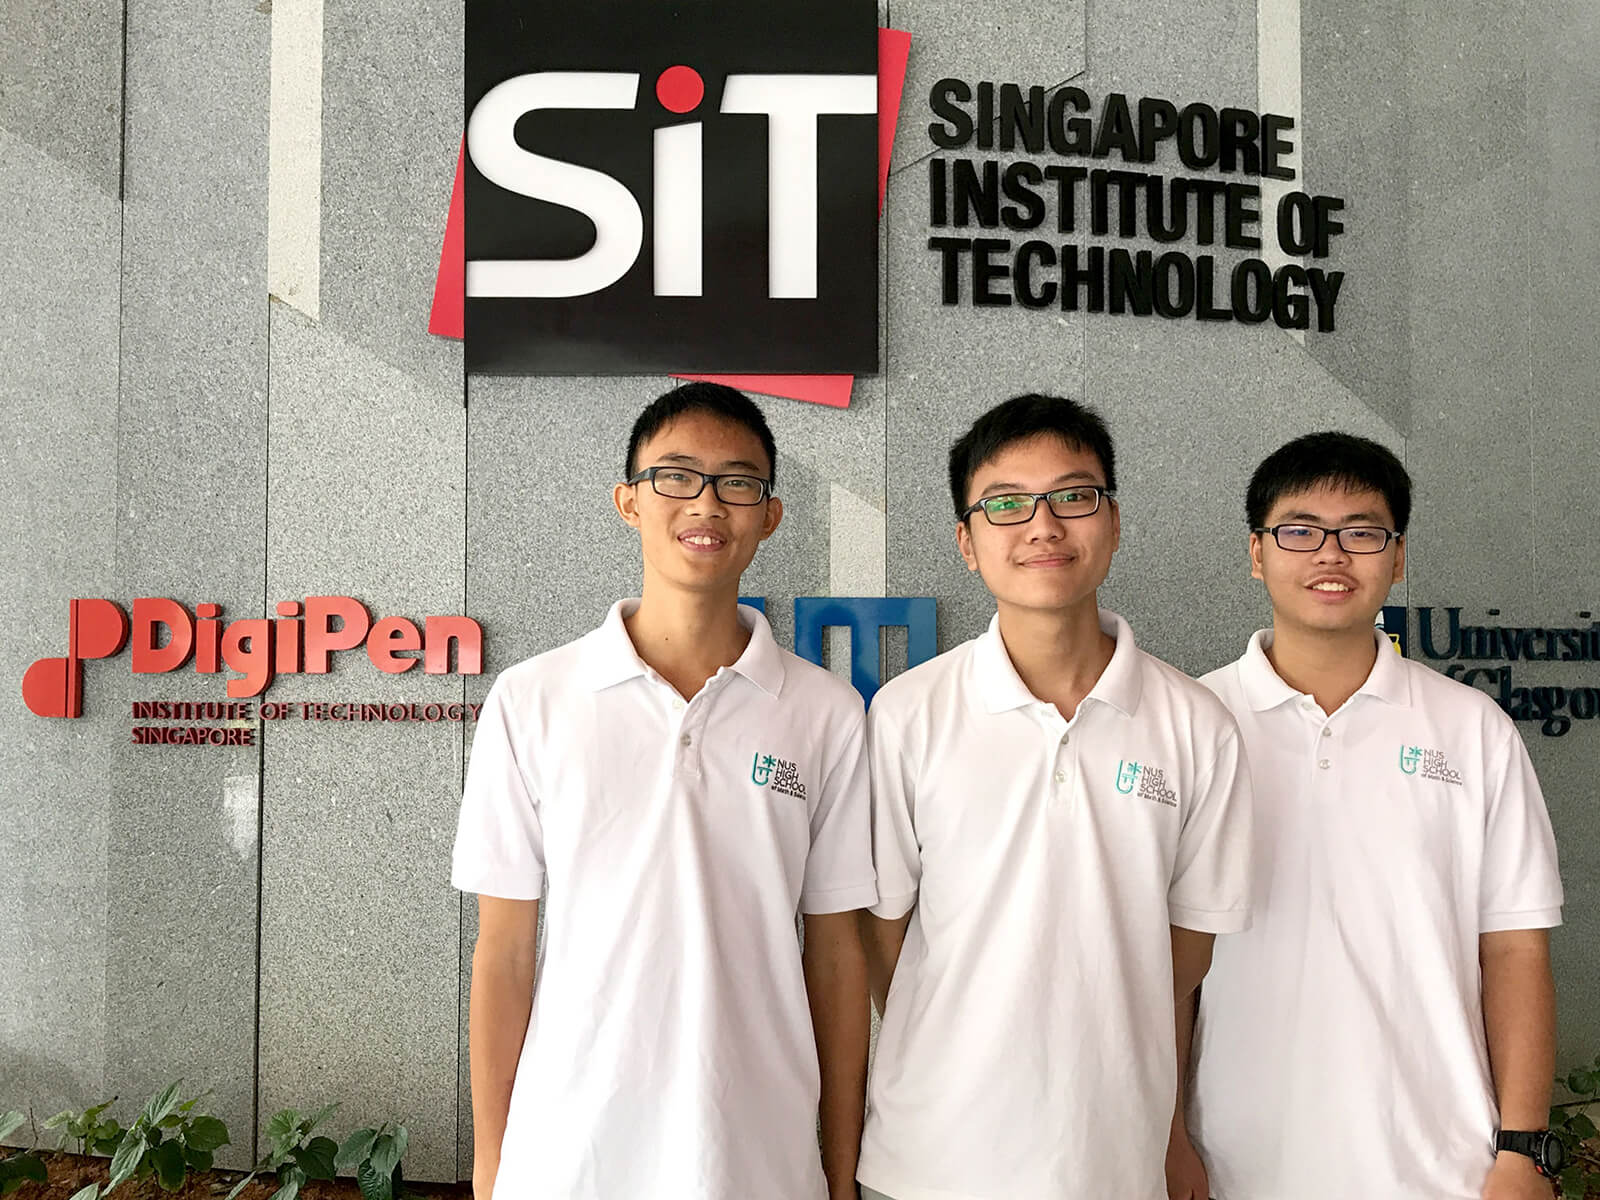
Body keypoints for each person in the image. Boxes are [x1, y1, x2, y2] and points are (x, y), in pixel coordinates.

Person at [450, 381, 877, 1200]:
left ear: (770, 514)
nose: (706, 503)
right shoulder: (534, 698)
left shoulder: (825, 714)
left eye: (737, 482)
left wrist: (839, 1165)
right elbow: (503, 951)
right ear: (629, 501)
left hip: (757, 1148)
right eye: (676, 476)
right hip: (572, 1150)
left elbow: (835, 955)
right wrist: (490, 1162)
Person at [858, 393, 1254, 1200]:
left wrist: (1167, 1127)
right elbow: (883, 932)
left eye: (1074, 496)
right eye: (1006, 504)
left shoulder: (1196, 724)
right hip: (933, 1158)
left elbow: (1183, 954)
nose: (1043, 526)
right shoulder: (907, 713)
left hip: (1113, 1155)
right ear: (966, 543)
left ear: (1113, 521)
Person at [1167, 432, 1564, 1200]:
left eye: (1362, 532)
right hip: (1236, 1163)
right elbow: (1167, 967)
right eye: (1299, 530)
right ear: (1257, 553)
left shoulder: (1471, 728)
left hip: (1441, 1163)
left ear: (1398, 556)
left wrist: (1521, 1150)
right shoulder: (1191, 722)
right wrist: (1167, 1136)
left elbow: (1514, 949)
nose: (1331, 554)